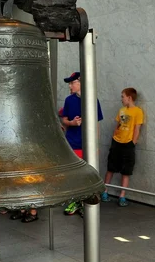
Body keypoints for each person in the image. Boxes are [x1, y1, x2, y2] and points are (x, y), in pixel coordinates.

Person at [61, 72, 104, 216]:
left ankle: (84, 203)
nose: (70, 85)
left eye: (72, 82)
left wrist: (96, 144)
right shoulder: (68, 100)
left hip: (88, 144)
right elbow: (64, 120)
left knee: (87, 174)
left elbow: (97, 123)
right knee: (74, 174)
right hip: (73, 143)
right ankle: (76, 200)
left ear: (80, 83)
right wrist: (72, 123)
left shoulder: (92, 100)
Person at [101, 88, 144, 207]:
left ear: (129, 98)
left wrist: (132, 143)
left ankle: (122, 196)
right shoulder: (121, 110)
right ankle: (105, 191)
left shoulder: (138, 112)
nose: (121, 99)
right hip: (117, 142)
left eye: (123, 96)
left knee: (126, 170)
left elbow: (137, 129)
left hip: (128, 144)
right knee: (111, 167)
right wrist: (114, 136)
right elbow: (118, 124)